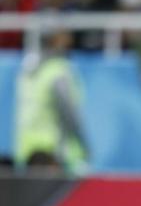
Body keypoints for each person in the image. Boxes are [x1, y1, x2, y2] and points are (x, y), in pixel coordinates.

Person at [14, 30, 89, 176]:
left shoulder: (26, 72)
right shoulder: (59, 71)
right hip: (53, 150)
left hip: (26, 149)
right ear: (57, 41)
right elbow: (69, 111)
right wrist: (84, 144)